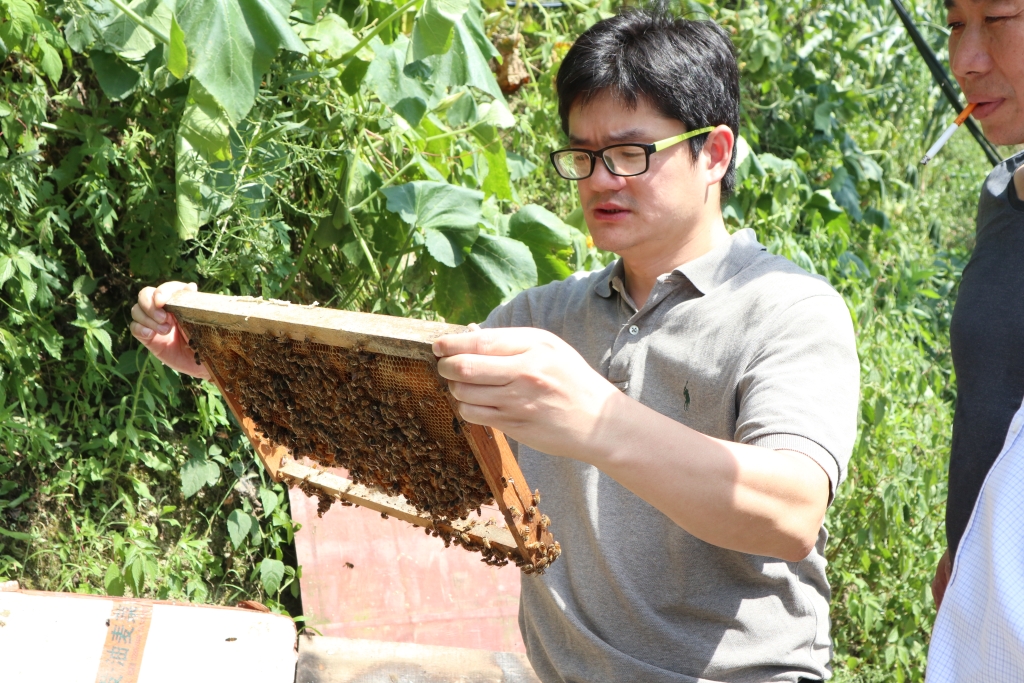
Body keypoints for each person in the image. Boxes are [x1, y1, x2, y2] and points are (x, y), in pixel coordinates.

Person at [132, 9, 860, 683]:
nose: (601, 179)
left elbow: (791, 514)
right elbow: (389, 423)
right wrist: (229, 363)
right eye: (583, 155)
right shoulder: (539, 317)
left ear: (715, 153)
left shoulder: (788, 310)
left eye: (631, 152)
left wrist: (597, 419)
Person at [925, 1, 1024, 679]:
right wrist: (964, 546)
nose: (965, 60)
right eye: (956, 24)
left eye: (999, 17)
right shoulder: (1001, 198)